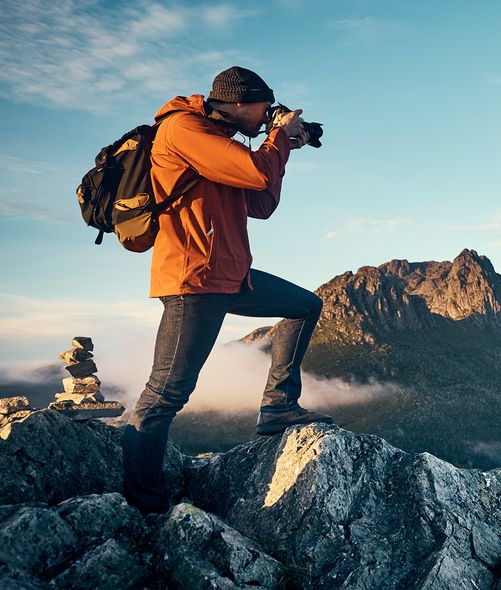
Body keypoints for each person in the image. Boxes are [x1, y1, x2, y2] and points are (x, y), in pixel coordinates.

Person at [122, 66, 332, 514]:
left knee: (304, 306)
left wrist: (284, 147)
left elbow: (261, 203)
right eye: (265, 108)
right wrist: (277, 139)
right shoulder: (183, 129)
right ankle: (144, 504)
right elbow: (257, 175)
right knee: (165, 395)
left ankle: (277, 407)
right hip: (195, 280)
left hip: (232, 276)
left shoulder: (222, 143)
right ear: (238, 102)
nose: (268, 117)